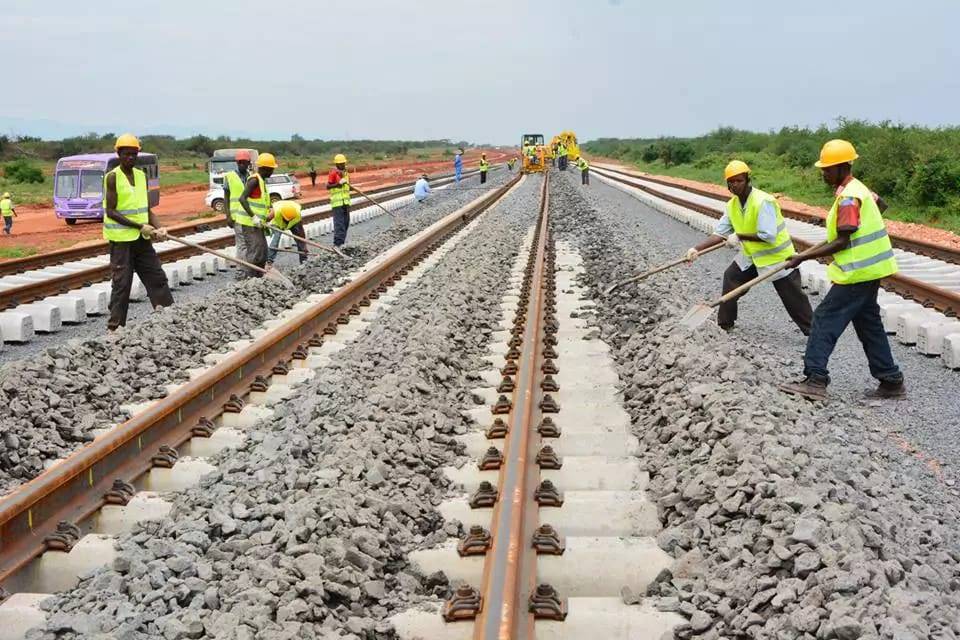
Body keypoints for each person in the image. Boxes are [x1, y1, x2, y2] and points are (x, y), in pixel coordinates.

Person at [780, 140, 903, 401]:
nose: (823, 173)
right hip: (870, 271)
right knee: (869, 324)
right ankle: (891, 381)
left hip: (857, 272)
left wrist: (802, 257)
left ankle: (815, 379)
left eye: (827, 169)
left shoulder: (849, 197)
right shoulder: (859, 190)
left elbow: (841, 241)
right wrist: (804, 254)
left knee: (824, 319)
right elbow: (881, 206)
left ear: (841, 167)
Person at [687, 160, 812, 335]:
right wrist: (696, 249)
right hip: (751, 256)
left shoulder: (763, 201)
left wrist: (740, 236)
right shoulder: (732, 205)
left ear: (747, 180)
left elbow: (768, 235)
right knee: (731, 277)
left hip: (777, 258)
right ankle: (724, 325)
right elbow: (719, 234)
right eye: (731, 182)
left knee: (794, 299)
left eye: (739, 180)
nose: (735, 185)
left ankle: (814, 333)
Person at [102, 134, 174, 330]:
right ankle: (115, 328)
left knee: (157, 277)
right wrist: (140, 226)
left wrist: (159, 227)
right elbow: (111, 211)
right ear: (118, 154)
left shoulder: (142, 177)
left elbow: (147, 209)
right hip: (121, 242)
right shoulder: (112, 177)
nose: (130, 158)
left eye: (134, 154)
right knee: (122, 285)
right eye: (126, 154)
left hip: (142, 241)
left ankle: (169, 318)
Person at [237, 152, 277, 277]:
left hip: (258, 224)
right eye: (271, 170)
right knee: (255, 252)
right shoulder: (254, 180)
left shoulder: (261, 181)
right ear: (265, 168)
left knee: (263, 252)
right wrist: (253, 217)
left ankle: (259, 278)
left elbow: (261, 203)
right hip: (250, 223)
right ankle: (250, 279)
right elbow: (242, 198)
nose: (272, 173)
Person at [223, 150, 253, 263]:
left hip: (247, 216)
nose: (243, 165)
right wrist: (228, 216)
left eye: (245, 163)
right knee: (242, 245)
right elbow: (226, 198)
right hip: (237, 217)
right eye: (240, 162)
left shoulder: (250, 177)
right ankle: (242, 268)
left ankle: (247, 266)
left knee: (249, 243)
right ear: (237, 163)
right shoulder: (229, 177)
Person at [266, 200, 308, 266]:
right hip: (278, 224)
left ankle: (304, 261)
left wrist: (303, 245)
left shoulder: (297, 214)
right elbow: (267, 219)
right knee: (276, 239)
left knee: (301, 240)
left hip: (294, 223)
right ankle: (269, 261)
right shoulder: (275, 211)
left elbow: (301, 233)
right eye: (285, 220)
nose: (286, 222)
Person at [327, 153, 351, 252]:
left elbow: (347, 186)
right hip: (337, 204)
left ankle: (342, 244)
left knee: (346, 223)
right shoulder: (333, 173)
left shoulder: (346, 173)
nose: (342, 165)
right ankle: (337, 244)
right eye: (340, 163)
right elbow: (328, 186)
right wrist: (338, 184)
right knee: (339, 225)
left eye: (343, 163)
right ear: (337, 164)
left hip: (345, 202)